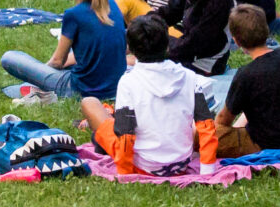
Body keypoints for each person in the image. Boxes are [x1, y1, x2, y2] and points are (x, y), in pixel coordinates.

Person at [80, 13, 204, 175]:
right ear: (167, 45)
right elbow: (207, 125)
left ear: (130, 49)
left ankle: (101, 138)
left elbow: (125, 135)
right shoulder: (189, 76)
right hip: (181, 164)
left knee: (89, 102)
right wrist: (208, 170)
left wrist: (125, 174)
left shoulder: (129, 82)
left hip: (143, 165)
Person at [1, 0, 128, 100]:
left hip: (80, 90)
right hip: (116, 88)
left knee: (9, 58)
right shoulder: (113, 3)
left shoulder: (74, 15)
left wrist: (40, 73)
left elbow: (57, 62)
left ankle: (34, 86)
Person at [218, 2, 280, 158]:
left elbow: (223, 121)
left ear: (236, 41)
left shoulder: (245, 75)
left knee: (200, 133)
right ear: (267, 31)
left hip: (263, 144)